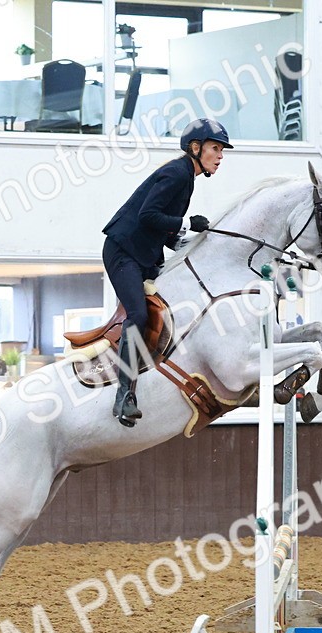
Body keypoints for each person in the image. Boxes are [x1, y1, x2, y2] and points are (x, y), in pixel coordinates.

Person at [101, 118, 232, 427]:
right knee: (140, 315)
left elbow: (164, 231)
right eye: (216, 148)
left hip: (144, 254)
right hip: (123, 252)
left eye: (222, 150)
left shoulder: (187, 177)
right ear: (196, 148)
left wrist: (198, 240)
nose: (221, 156)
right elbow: (149, 215)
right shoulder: (176, 172)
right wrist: (187, 224)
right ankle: (123, 396)